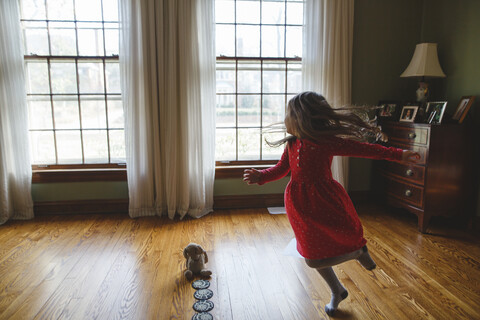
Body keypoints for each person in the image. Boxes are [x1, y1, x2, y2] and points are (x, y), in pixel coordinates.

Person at [243, 92, 420, 316]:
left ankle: (358, 249)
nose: (284, 118)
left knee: (343, 229)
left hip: (325, 198)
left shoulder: (325, 142)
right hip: (299, 205)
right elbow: (280, 169)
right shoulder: (292, 144)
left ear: (300, 117)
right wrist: (261, 176)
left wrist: (399, 154)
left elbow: (365, 150)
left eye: (287, 114)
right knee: (311, 255)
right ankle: (337, 289)